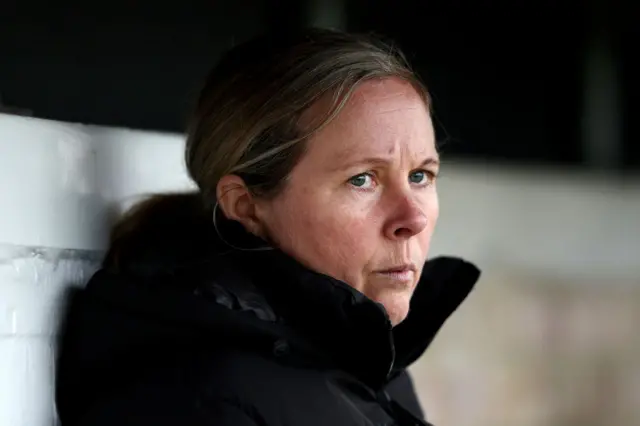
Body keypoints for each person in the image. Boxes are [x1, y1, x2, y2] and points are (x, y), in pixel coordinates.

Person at [55, 27, 480, 426]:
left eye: (421, 175)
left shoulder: (369, 359)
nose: (413, 218)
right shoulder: (201, 397)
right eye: (362, 179)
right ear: (246, 205)